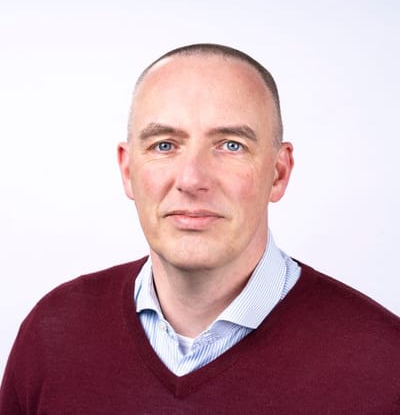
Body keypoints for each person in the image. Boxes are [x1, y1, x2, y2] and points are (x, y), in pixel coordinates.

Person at [1, 44, 399, 414]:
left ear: (278, 173)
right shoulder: (53, 333)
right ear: (127, 169)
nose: (192, 180)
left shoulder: (385, 365)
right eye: (164, 145)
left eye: (230, 145)